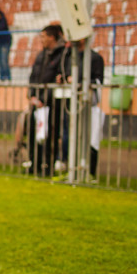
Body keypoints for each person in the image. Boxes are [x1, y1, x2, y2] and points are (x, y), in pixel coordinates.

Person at [61, 39, 105, 177]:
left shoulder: (95, 58)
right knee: (69, 135)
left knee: (90, 138)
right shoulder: (68, 57)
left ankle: (89, 171)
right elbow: (65, 76)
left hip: (88, 106)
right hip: (70, 103)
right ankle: (70, 168)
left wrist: (79, 83)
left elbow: (98, 82)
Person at [28, 24, 68, 177]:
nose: (42, 40)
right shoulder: (41, 55)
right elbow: (33, 76)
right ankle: (34, 163)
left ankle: (48, 166)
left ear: (52, 37)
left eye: (44, 37)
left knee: (51, 135)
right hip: (36, 102)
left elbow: (58, 80)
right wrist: (32, 95)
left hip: (52, 104)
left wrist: (44, 100)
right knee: (34, 133)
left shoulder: (63, 54)